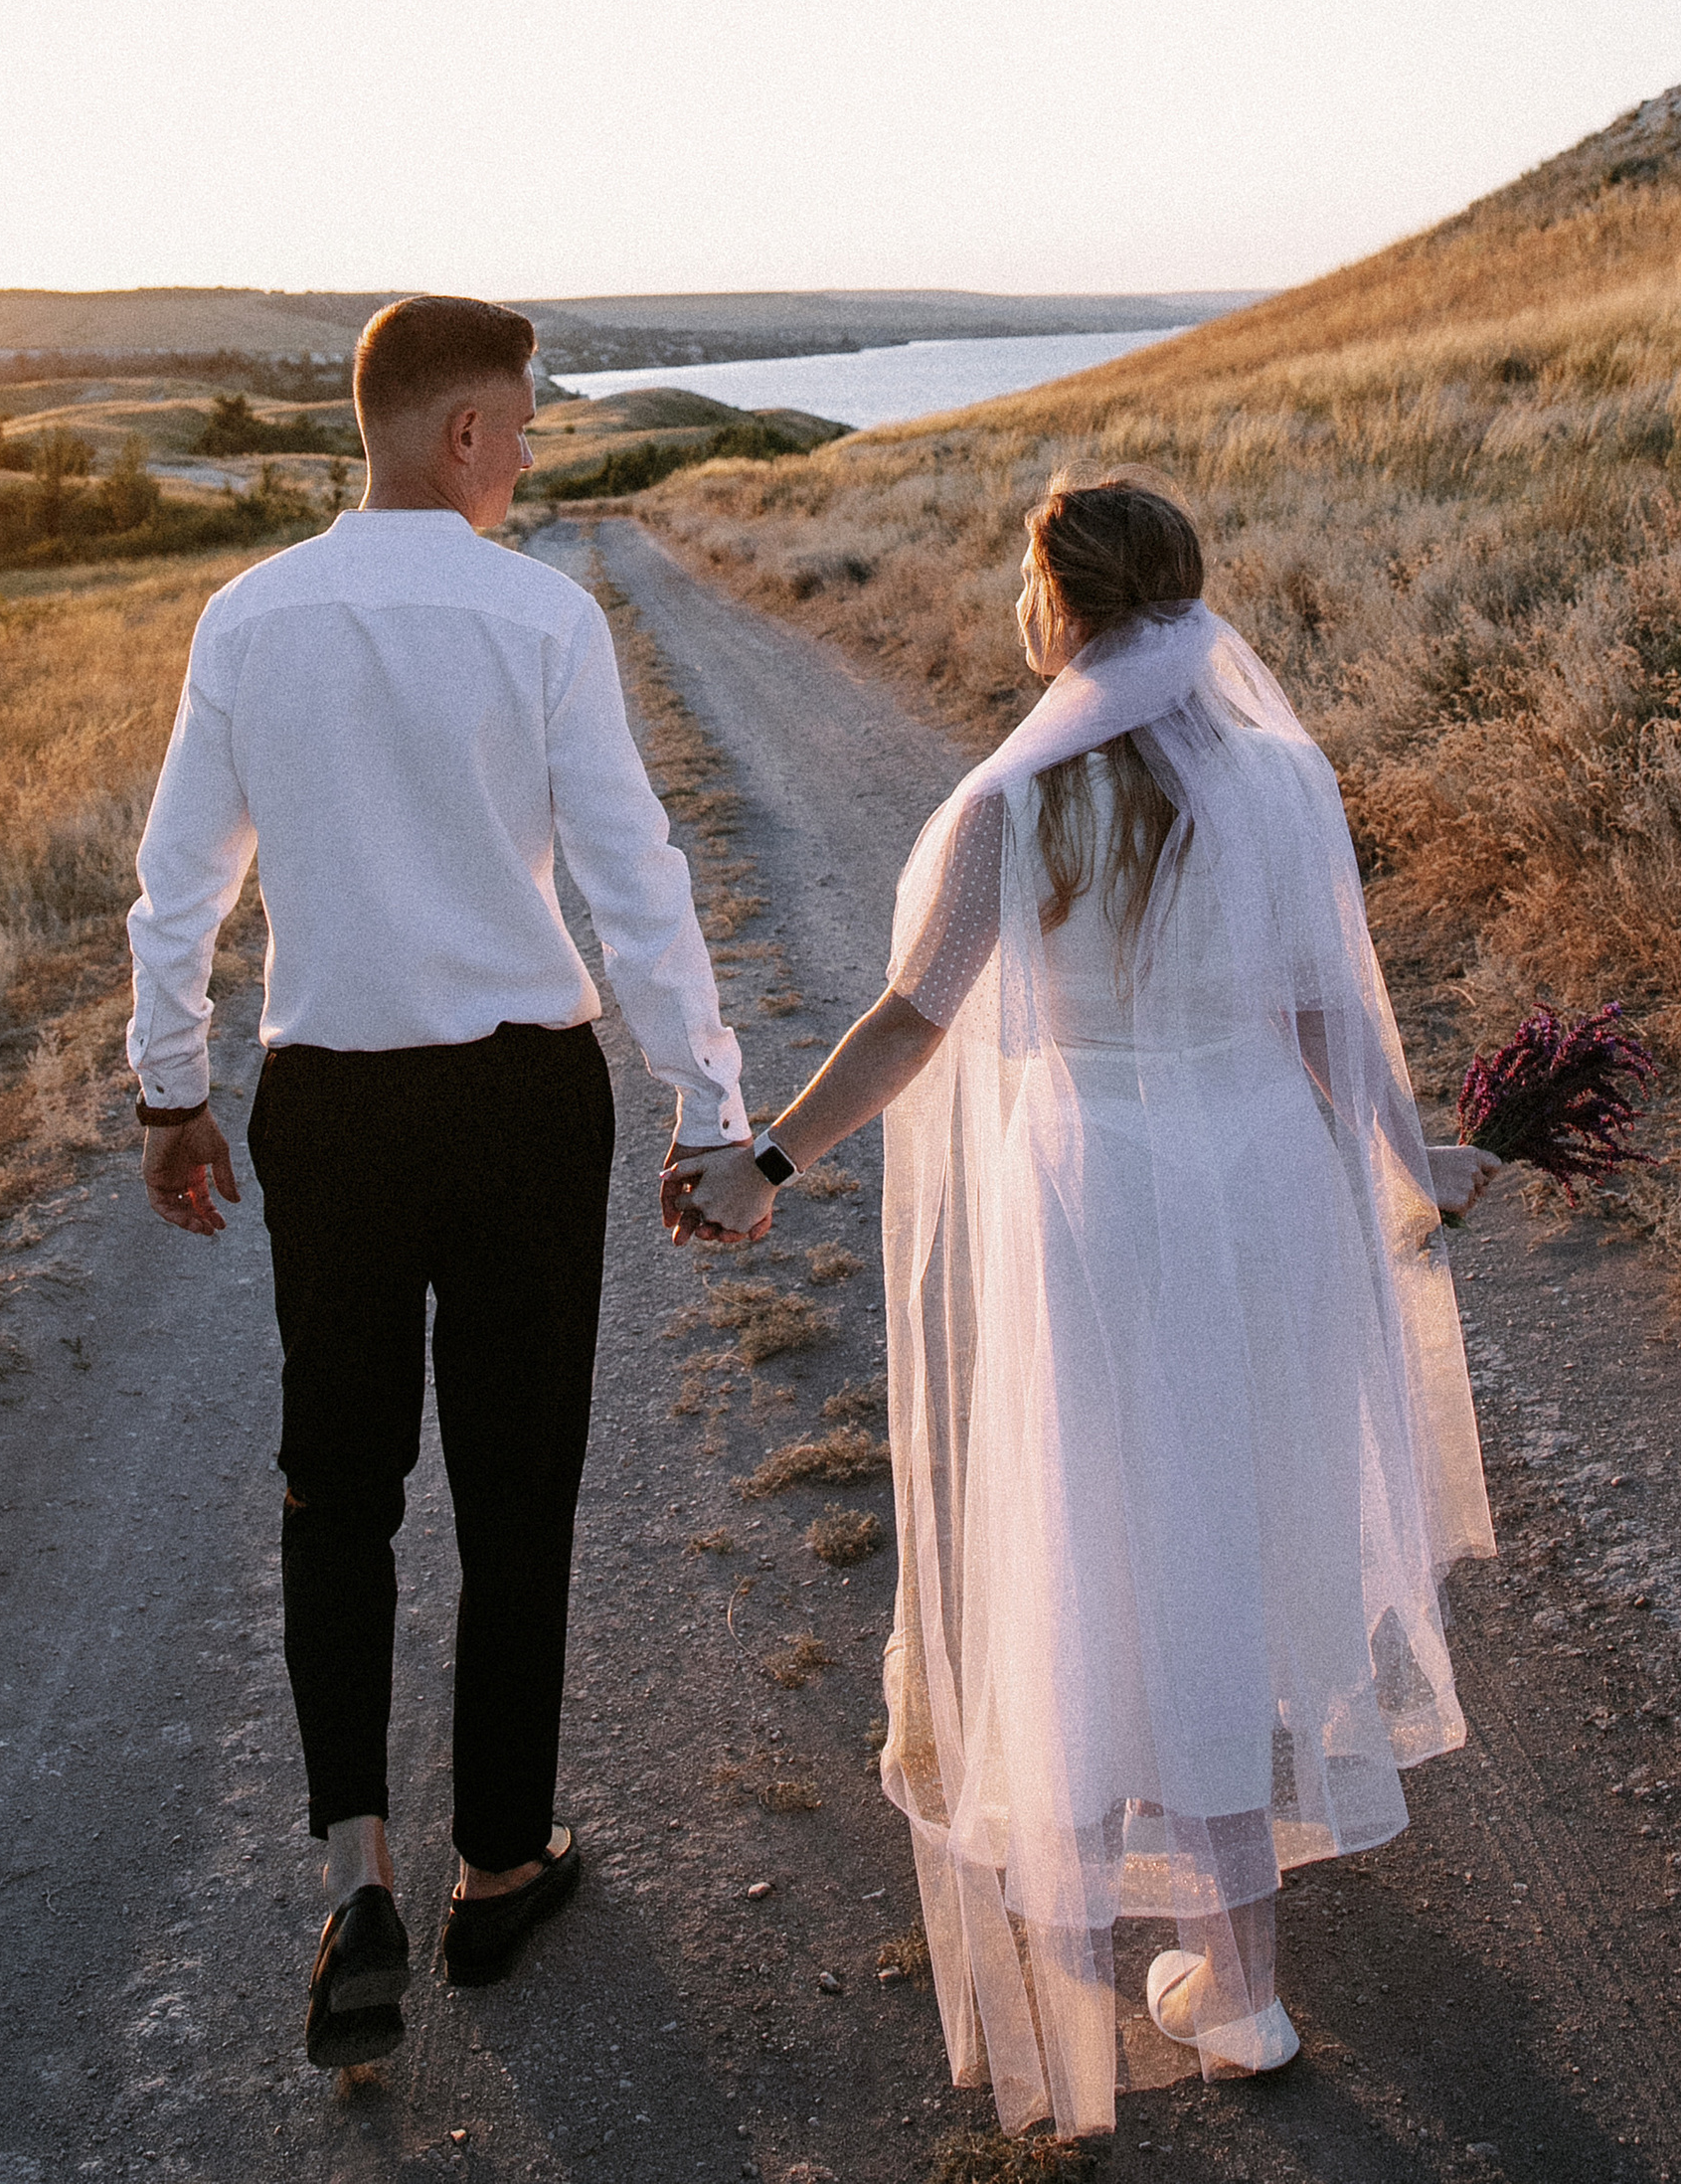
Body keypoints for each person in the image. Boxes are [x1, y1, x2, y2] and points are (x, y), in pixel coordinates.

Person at [670, 475, 1498, 2137]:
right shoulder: (1283, 779)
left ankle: (1214, 1970)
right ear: (1187, 597)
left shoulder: (1011, 806)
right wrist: (1421, 1161)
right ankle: (1236, 1971)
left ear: (1058, 602)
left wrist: (769, 1158)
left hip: (1102, 1198)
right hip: (1257, 1189)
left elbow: (914, 1022)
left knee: (1112, 1537)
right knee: (1241, 1530)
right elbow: (1334, 1011)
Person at [126, 295, 751, 2069]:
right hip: (521, 1104)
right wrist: (711, 1108)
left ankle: (358, 1878)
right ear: (464, 430)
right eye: (529, 421)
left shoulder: (247, 618)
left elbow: (184, 887)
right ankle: (497, 1866)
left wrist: (171, 1095)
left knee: (338, 1486)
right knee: (516, 1484)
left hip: (330, 1103)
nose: (537, 449)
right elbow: (637, 884)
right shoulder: (542, 616)